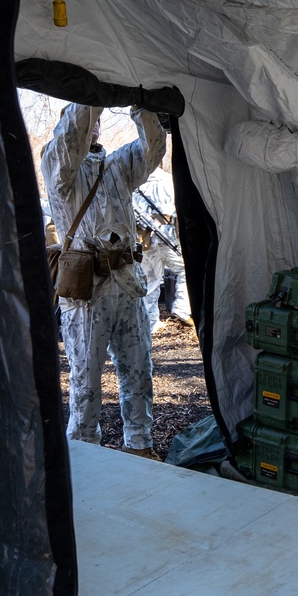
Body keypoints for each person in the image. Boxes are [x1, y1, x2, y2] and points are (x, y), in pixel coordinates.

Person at [41, 104, 166, 460]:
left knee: (139, 371)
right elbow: (71, 137)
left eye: (97, 122)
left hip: (126, 284)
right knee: (86, 381)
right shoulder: (58, 167)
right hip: (86, 293)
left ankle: (140, 445)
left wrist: (143, 108)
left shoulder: (116, 167)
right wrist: (89, 99)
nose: (93, 127)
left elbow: (152, 150)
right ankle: (84, 454)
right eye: (89, 121)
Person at [132, 167, 192, 331]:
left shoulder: (136, 184)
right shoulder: (169, 180)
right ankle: (182, 308)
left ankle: (149, 323)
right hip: (169, 236)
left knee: (149, 281)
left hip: (145, 239)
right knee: (186, 270)